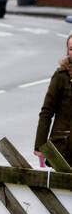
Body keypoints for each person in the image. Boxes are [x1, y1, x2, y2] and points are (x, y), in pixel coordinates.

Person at [34, 33, 72, 165]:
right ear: (67, 51)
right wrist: (40, 146)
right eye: (71, 49)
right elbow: (46, 112)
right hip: (62, 149)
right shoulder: (61, 76)